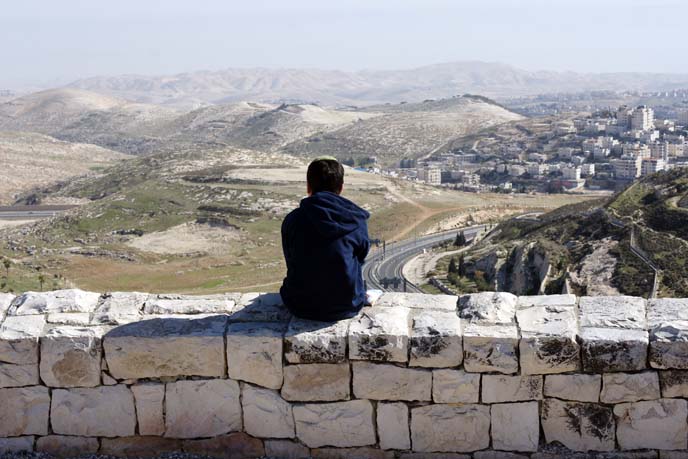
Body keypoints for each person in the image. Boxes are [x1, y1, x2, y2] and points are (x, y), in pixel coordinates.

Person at [280, 157, 370, 321]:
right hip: (347, 305)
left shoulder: (292, 220)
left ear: (308, 187)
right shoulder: (356, 220)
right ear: (341, 187)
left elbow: (290, 259)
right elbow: (361, 256)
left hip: (299, 305)